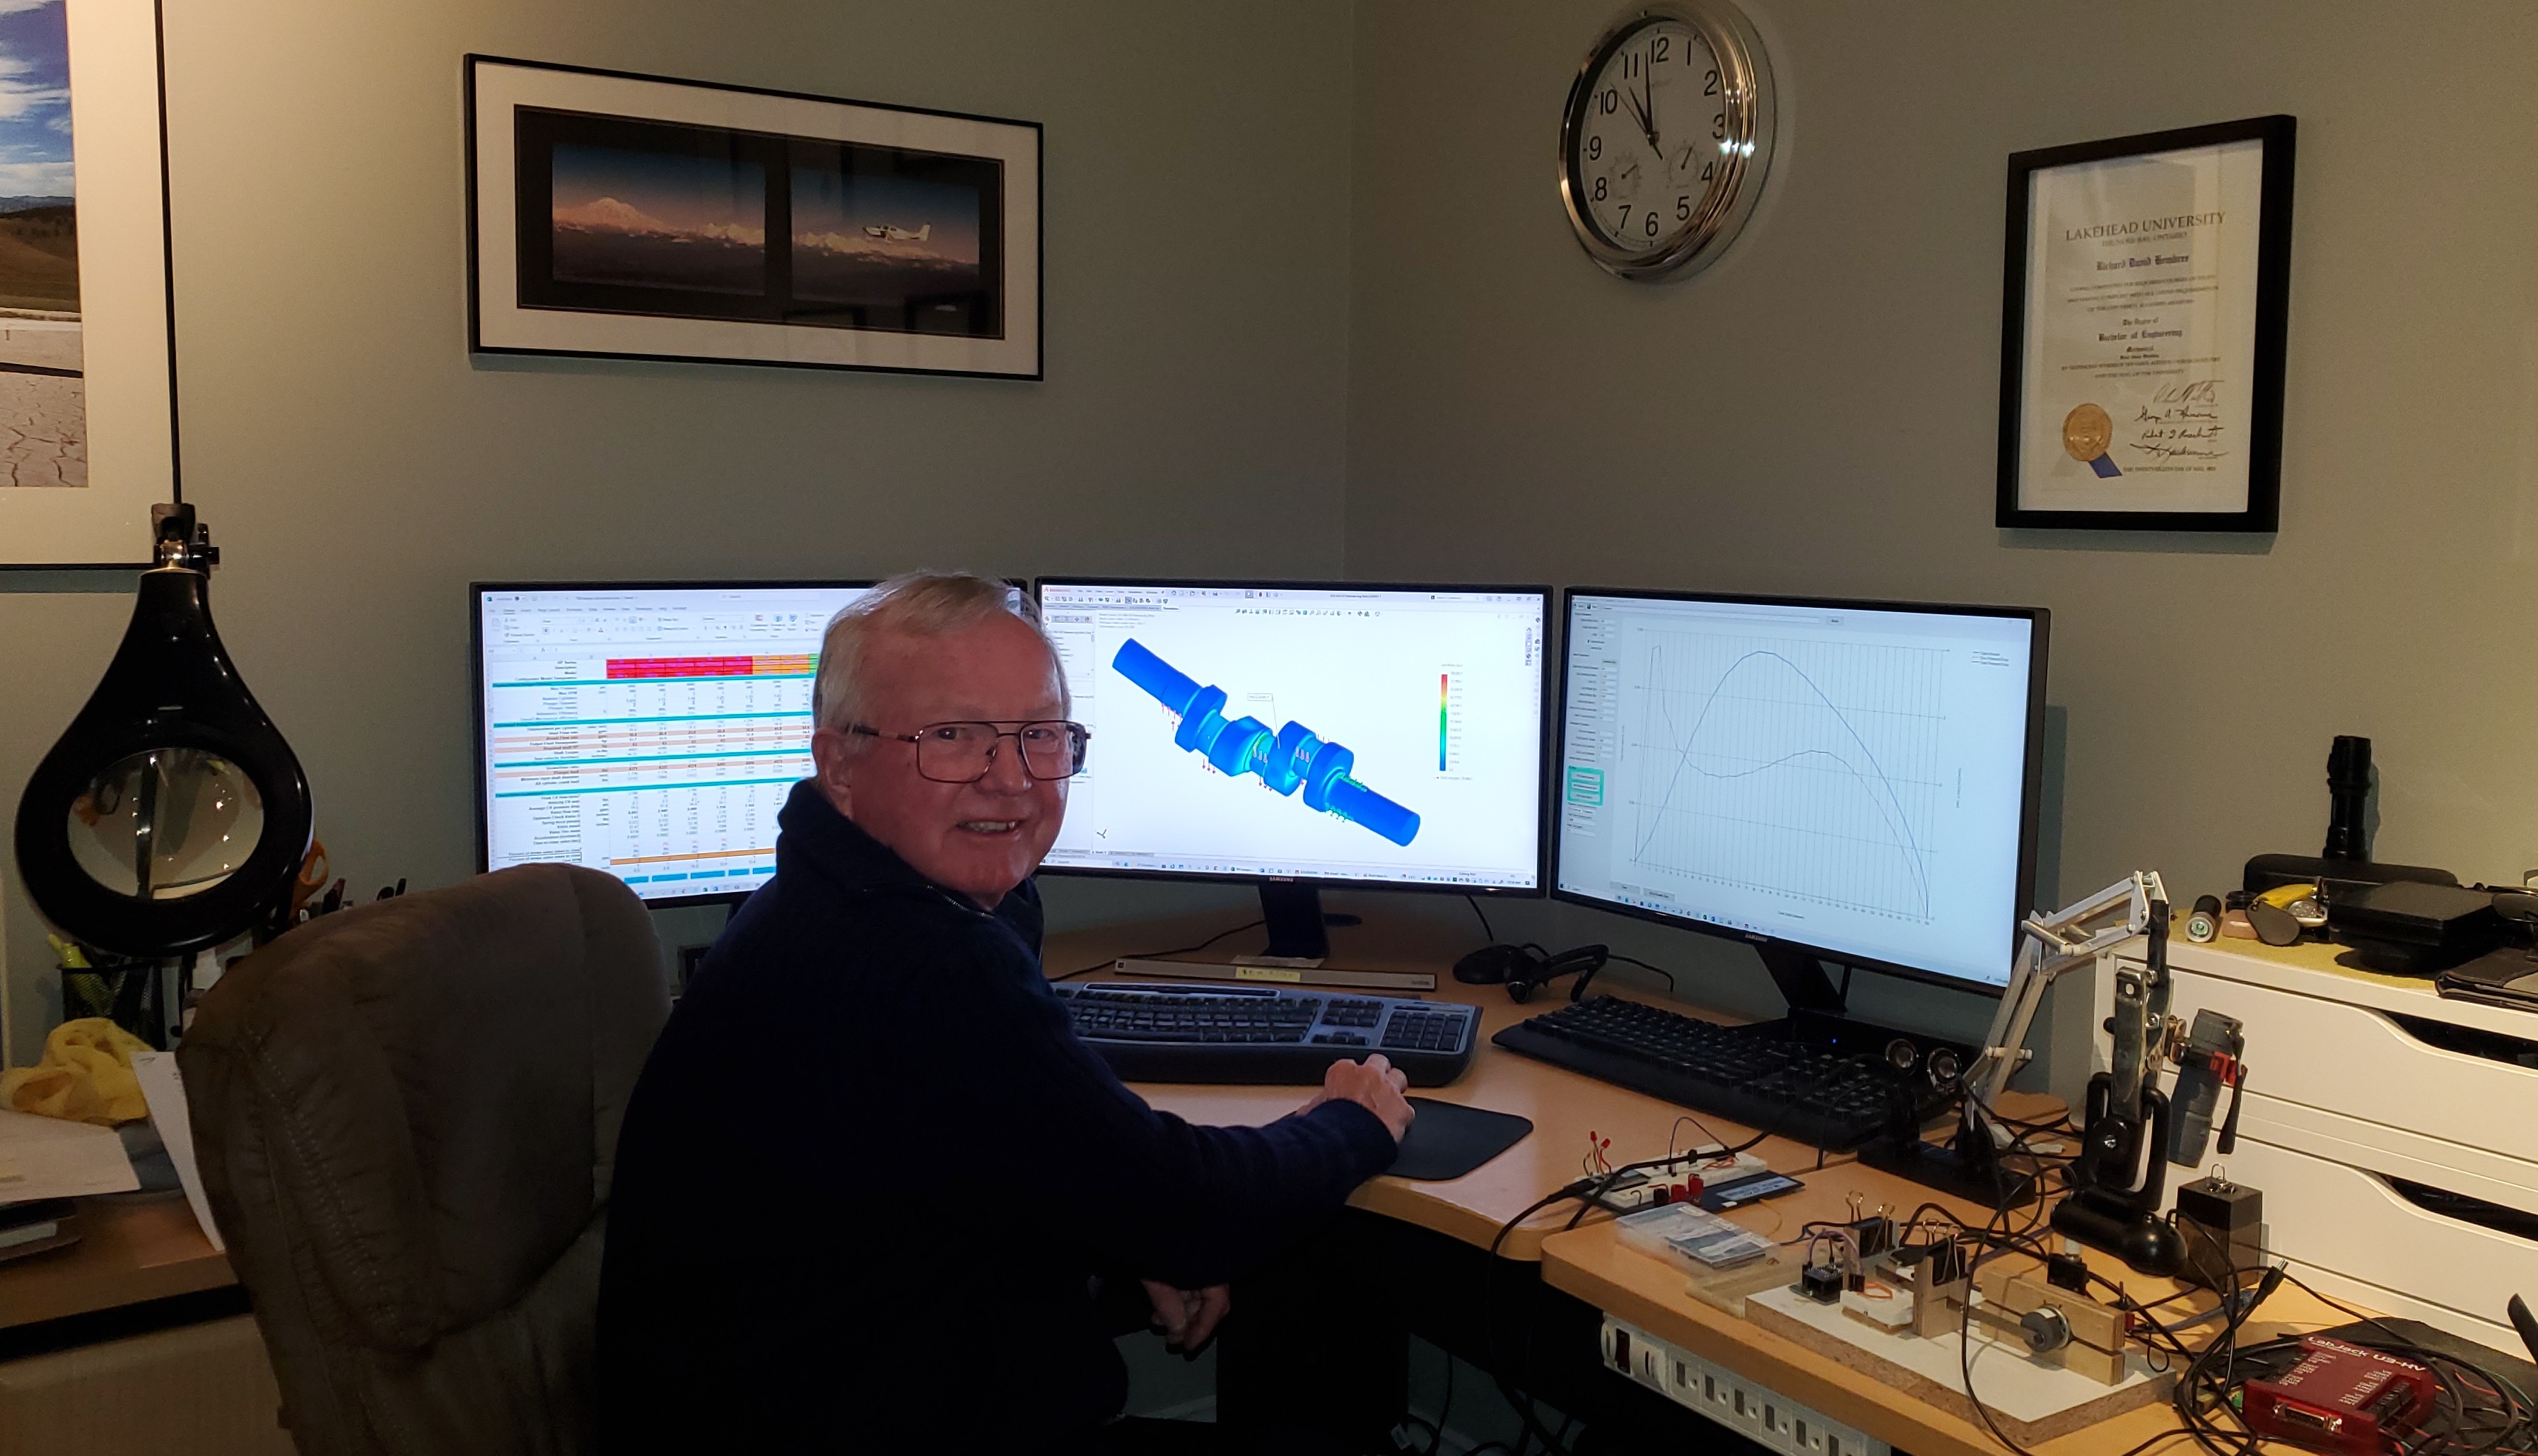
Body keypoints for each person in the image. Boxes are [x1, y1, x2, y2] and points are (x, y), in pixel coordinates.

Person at [597, 573, 1413, 1454]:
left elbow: (982, 1181)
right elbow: (1192, 1204)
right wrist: (1352, 1122)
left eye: (1038, 736)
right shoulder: (917, 958)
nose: (1012, 782)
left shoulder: (818, 898)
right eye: (950, 738)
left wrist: (1128, 1230)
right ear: (838, 764)